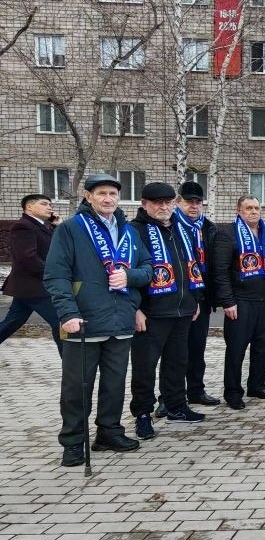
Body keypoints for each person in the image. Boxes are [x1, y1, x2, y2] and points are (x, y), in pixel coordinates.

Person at [44, 173, 153, 467]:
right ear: (88, 196)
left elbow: (148, 268)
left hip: (120, 321)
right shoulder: (71, 229)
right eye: (101, 193)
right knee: (77, 387)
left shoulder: (128, 231)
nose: (108, 199)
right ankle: (73, 442)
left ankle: (109, 432)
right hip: (83, 322)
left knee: (114, 384)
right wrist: (68, 313)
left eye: (113, 194)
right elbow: (56, 275)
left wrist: (129, 277)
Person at [129, 182, 206, 441]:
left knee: (177, 362)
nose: (163, 207)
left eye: (168, 202)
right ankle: (142, 413)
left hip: (182, 308)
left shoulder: (181, 228)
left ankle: (176, 406)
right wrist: (135, 309)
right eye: (157, 202)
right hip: (151, 312)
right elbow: (127, 271)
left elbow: (190, 266)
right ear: (144, 204)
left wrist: (194, 299)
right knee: (145, 366)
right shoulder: (135, 231)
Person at [213, 195, 265, 410]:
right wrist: (227, 301)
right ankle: (233, 392)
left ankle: (257, 385)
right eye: (248, 208)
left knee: (263, 347)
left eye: (256, 208)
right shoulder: (228, 234)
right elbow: (220, 271)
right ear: (239, 211)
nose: (253, 211)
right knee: (236, 349)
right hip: (240, 301)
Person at [173, 181, 221, 407]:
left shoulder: (208, 228)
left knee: (197, 348)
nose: (193, 206)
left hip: (202, 297)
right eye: (188, 201)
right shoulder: (170, 225)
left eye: (197, 202)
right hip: (177, 298)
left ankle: (196, 390)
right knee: (175, 352)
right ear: (178, 202)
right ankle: (169, 397)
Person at [0, 193, 62, 353]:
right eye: (44, 204)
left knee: (12, 322)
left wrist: (56, 226)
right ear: (29, 207)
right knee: (61, 321)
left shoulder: (41, 226)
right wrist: (52, 275)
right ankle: (72, 364)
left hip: (29, 287)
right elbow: (28, 258)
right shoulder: (23, 226)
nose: (49, 207)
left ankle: (71, 362)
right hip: (34, 286)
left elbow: (53, 248)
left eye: (50, 204)